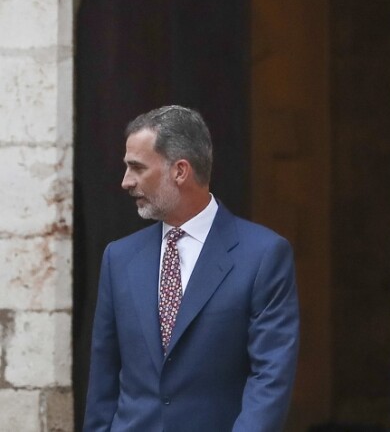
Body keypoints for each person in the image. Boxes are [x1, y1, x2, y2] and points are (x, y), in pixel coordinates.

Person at [83, 105, 300, 432]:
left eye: (137, 168)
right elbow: (103, 377)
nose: (126, 181)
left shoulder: (264, 255)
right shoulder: (119, 258)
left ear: (180, 171)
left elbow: (270, 377)